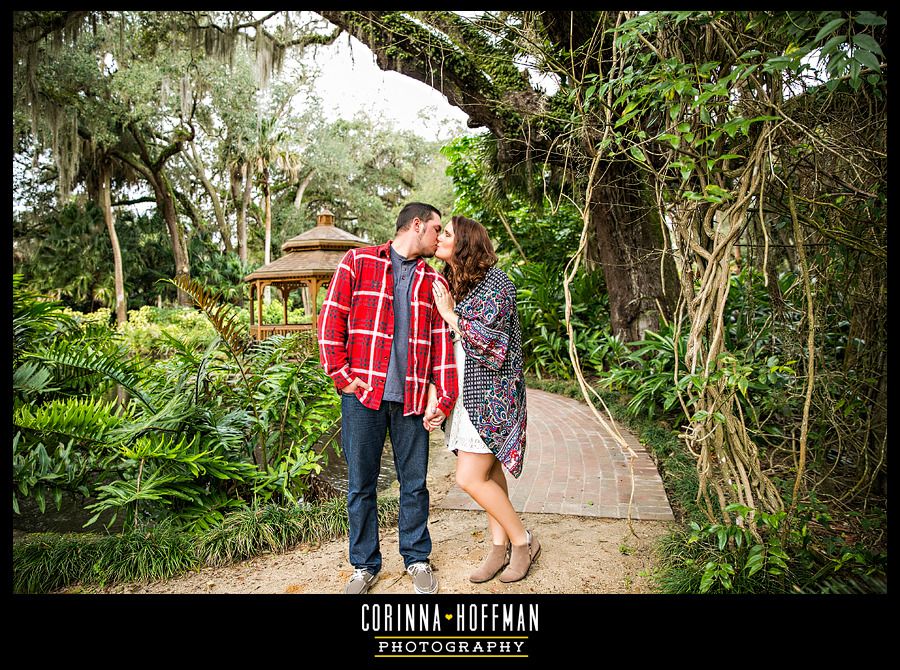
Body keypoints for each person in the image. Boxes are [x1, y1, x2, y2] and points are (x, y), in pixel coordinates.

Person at [317, 202, 458, 595]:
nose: (438, 237)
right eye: (436, 229)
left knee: (414, 484)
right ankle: (365, 565)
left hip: (412, 399)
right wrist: (343, 377)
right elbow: (331, 320)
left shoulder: (434, 283)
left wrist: (442, 398)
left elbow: (441, 344)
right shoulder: (357, 262)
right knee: (360, 484)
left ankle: (416, 557)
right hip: (363, 398)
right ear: (417, 225)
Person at [424, 215, 540, 584]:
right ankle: (498, 546)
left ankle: (522, 542)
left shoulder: (497, 283)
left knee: (468, 477)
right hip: (466, 397)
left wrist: (449, 315)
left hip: (493, 397)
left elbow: (491, 345)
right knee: (488, 474)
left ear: (466, 243)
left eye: (447, 233)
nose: (440, 237)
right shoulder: (459, 284)